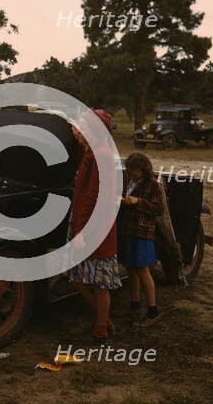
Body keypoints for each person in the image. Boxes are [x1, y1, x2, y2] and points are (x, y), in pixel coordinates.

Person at [67, 110, 121, 342]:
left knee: (99, 282)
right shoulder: (94, 151)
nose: (81, 131)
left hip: (94, 226)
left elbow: (94, 196)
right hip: (87, 222)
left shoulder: (102, 155)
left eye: (85, 127)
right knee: (77, 276)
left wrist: (81, 231)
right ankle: (105, 320)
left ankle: (101, 328)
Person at [121, 152, 164, 327]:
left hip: (142, 232)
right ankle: (135, 303)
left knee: (142, 269)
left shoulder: (153, 185)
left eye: (134, 171)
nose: (131, 174)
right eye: (129, 171)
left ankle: (153, 311)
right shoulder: (129, 181)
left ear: (143, 169)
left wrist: (137, 202)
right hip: (128, 229)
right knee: (130, 267)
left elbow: (158, 209)